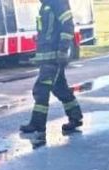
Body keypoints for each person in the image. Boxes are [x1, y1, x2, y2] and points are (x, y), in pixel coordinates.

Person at [20, 0, 83, 134]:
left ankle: (38, 123)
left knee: (41, 88)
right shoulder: (46, 5)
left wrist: (62, 50)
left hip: (54, 57)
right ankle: (75, 117)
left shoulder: (58, 3)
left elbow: (68, 26)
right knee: (60, 88)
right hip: (46, 56)